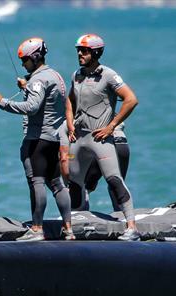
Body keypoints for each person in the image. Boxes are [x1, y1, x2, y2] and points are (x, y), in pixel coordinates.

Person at [0, 37, 73, 241]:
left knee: (36, 183)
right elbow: (47, 102)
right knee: (57, 184)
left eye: (25, 60)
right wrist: (26, 87)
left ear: (35, 57)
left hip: (37, 140)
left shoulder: (38, 80)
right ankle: (68, 229)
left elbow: (32, 107)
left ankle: (37, 229)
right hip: (53, 139)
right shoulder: (55, 76)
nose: (22, 64)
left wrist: (3, 102)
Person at [66, 34, 141, 241]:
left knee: (114, 180)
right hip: (79, 140)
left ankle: (132, 227)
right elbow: (70, 101)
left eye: (85, 50)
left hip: (100, 139)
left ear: (96, 52)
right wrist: (70, 123)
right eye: (78, 50)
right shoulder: (76, 75)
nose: (80, 54)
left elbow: (131, 100)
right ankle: (78, 223)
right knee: (74, 183)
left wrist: (111, 126)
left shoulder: (108, 75)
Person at [79, 123, 131, 212]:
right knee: (117, 185)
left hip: (101, 143)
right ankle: (124, 219)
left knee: (83, 186)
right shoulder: (111, 111)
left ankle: (81, 219)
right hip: (121, 143)